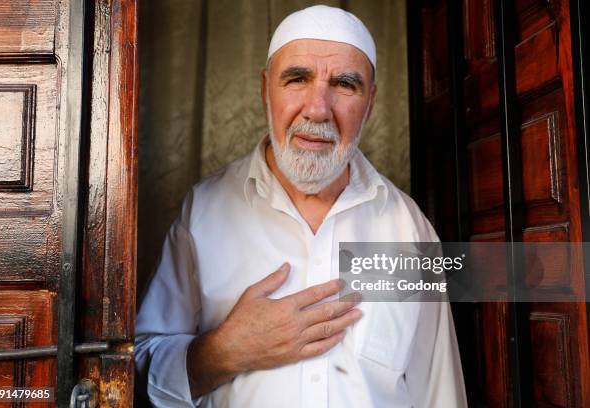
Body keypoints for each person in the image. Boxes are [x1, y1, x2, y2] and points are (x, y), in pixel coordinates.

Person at [135, 5, 467, 408]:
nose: (317, 109)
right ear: (265, 90)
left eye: (345, 84)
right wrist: (223, 352)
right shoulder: (204, 211)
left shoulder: (408, 229)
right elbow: (134, 372)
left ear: (371, 103)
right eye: (297, 79)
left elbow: (439, 392)